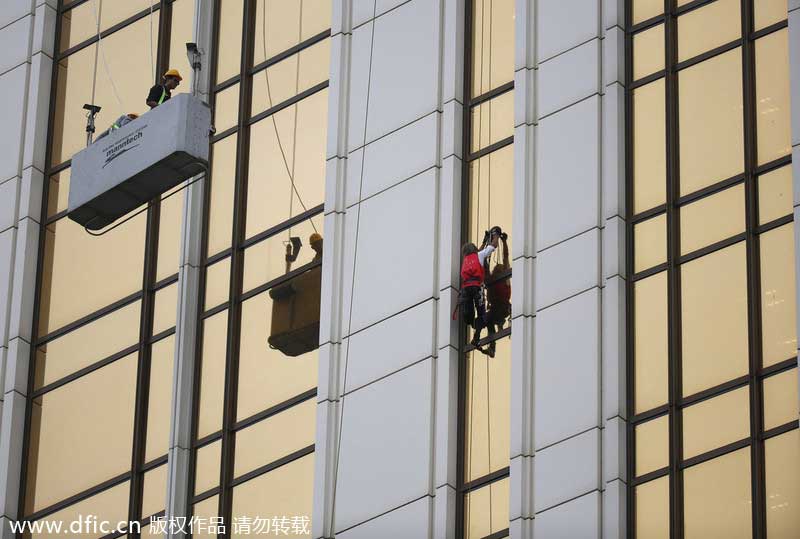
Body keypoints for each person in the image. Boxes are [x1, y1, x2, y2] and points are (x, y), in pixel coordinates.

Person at [458, 229, 499, 355]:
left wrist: (483, 241)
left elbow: (478, 253)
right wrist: (496, 235)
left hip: (466, 290)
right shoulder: (479, 256)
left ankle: (473, 326)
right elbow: (493, 246)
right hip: (477, 288)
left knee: (470, 312)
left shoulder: (466, 260)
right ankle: (476, 337)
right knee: (482, 314)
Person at [485, 232, 511, 357]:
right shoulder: (493, 280)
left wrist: (504, 242)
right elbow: (485, 263)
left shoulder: (502, 279)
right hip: (497, 308)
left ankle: (492, 345)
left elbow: (505, 257)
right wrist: (488, 244)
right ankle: (492, 347)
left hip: (501, 307)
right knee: (487, 320)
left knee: (488, 319)